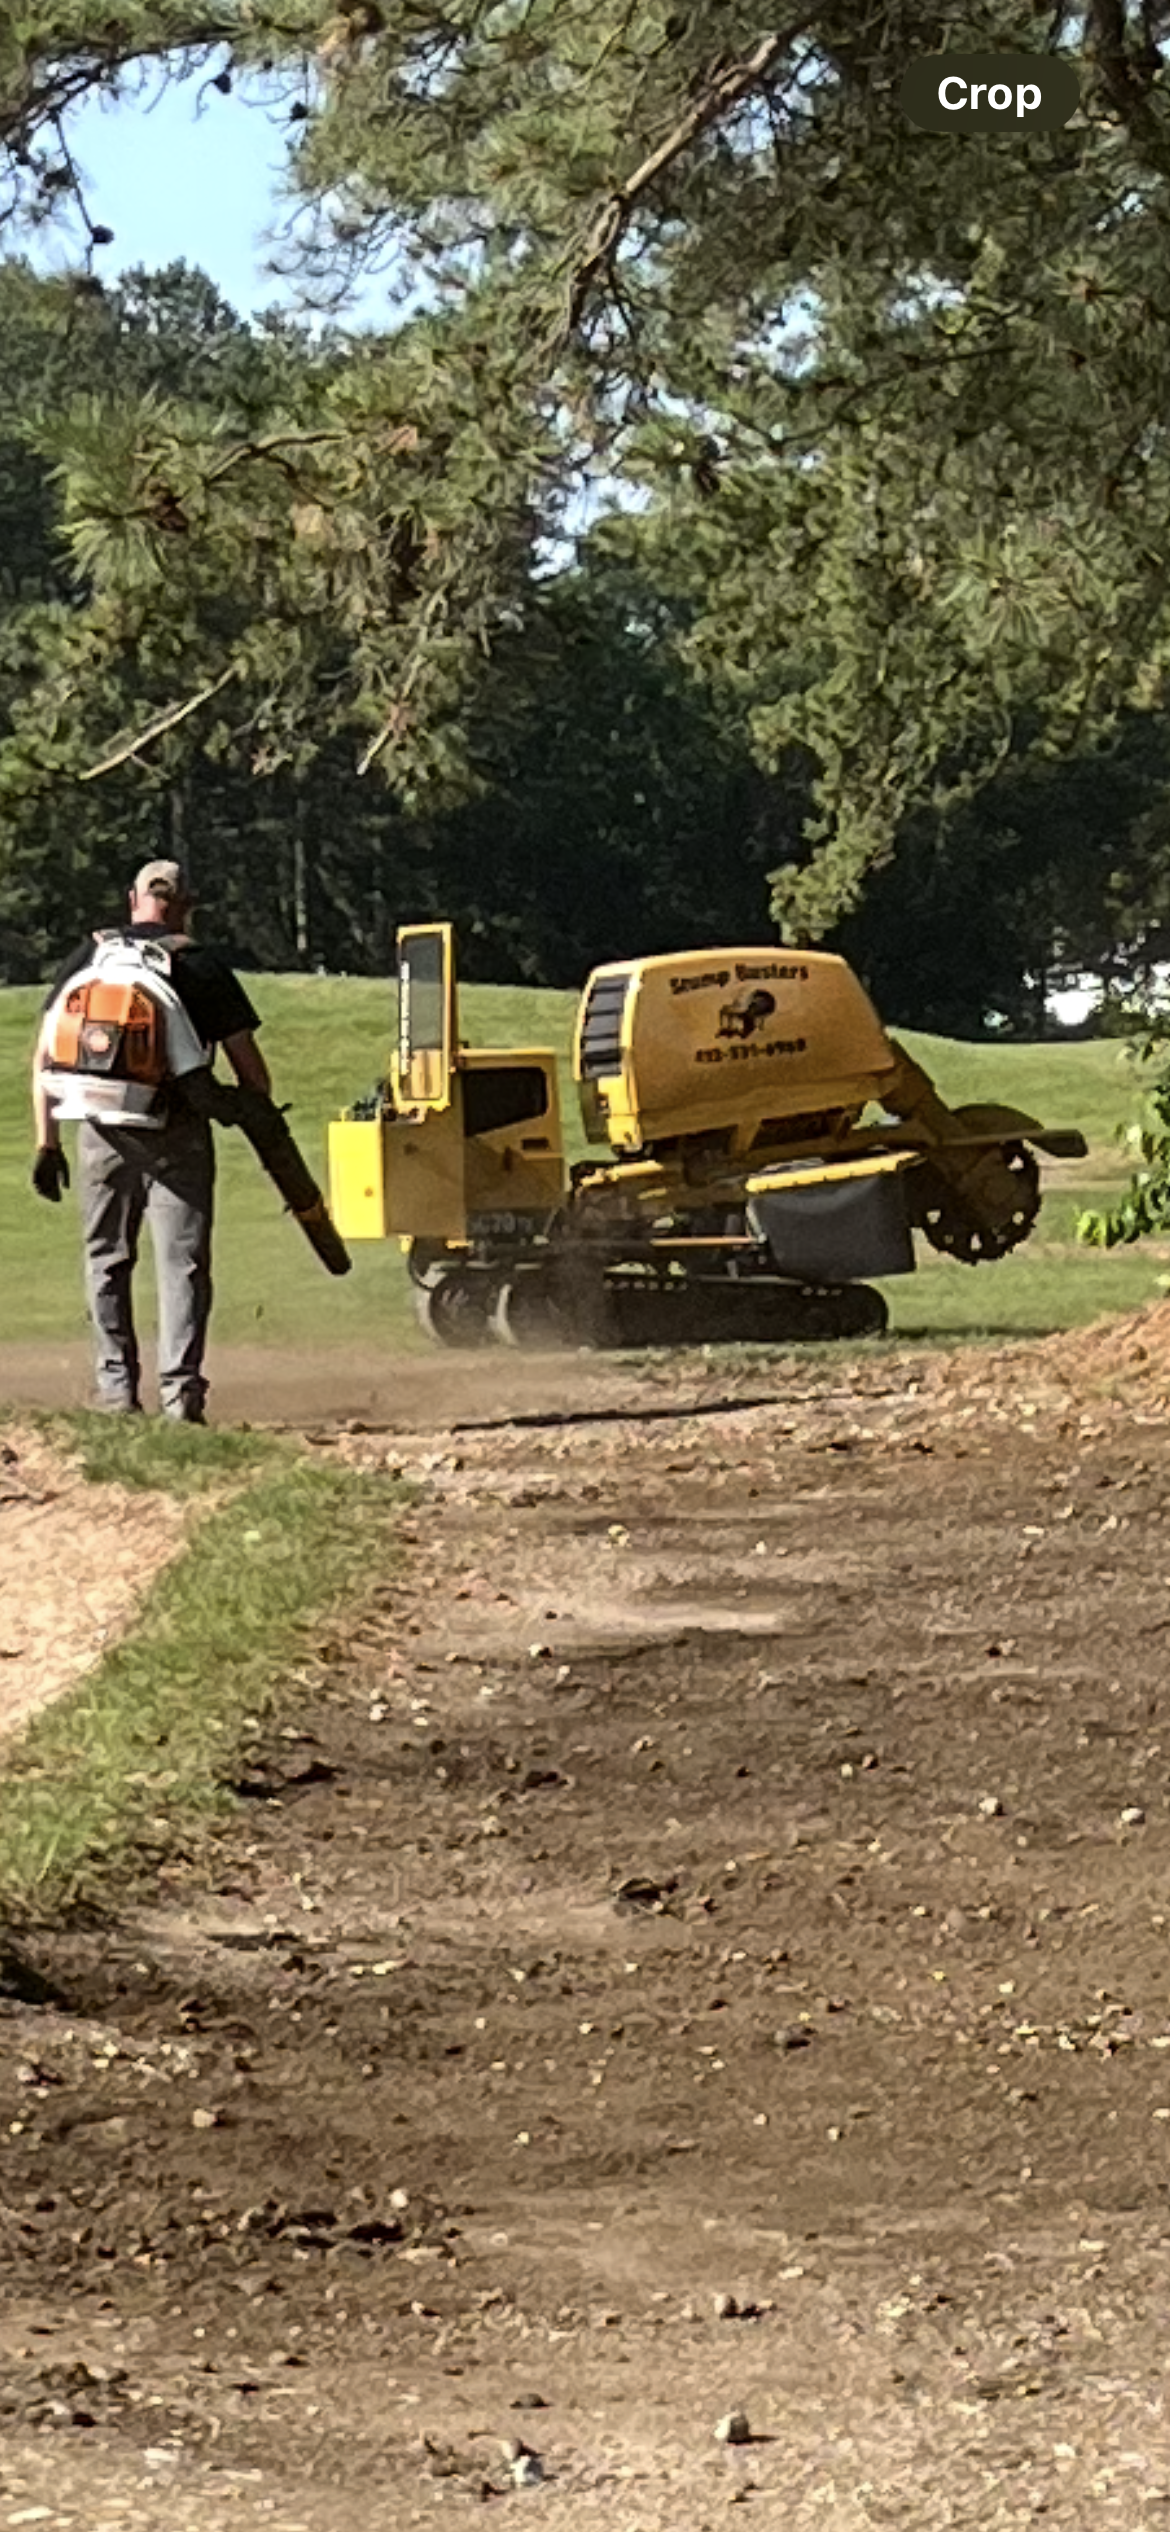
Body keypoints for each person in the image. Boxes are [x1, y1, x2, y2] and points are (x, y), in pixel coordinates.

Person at [31, 859, 272, 1424]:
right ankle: (180, 1399)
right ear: (187, 903)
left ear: (131, 897)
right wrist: (247, 1112)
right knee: (181, 1263)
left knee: (105, 1260)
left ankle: (116, 1395)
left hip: (97, 1128)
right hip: (177, 1129)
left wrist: (47, 1143)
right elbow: (252, 1073)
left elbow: (44, 1055)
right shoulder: (201, 964)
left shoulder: (89, 958)